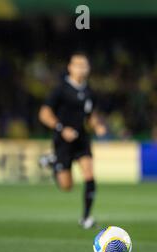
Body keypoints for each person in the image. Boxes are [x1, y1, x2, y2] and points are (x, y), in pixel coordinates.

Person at [38, 52, 107, 229]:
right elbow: (44, 114)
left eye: (85, 65)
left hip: (82, 139)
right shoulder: (60, 90)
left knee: (89, 174)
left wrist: (97, 125)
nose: (82, 69)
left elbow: (90, 115)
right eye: (78, 65)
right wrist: (61, 128)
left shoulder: (89, 91)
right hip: (63, 141)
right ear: (70, 67)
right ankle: (54, 162)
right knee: (66, 186)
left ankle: (86, 217)